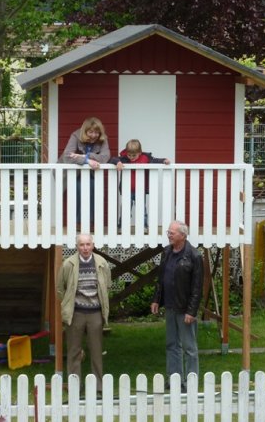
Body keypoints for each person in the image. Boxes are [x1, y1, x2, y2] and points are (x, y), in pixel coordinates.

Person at [150, 220, 203, 392]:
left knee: (189, 347)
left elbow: (197, 287)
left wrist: (191, 311)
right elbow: (161, 279)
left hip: (185, 309)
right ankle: (174, 378)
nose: (169, 235)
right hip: (170, 307)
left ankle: (191, 382)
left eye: (172, 232)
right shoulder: (167, 252)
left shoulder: (194, 256)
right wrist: (157, 299)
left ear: (183, 235)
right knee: (172, 344)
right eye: (168, 232)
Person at [56, 233, 112, 393]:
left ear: (93, 245)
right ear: (77, 246)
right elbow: (61, 289)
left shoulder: (102, 263)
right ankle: (75, 385)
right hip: (76, 313)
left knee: (96, 350)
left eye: (88, 244)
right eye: (82, 245)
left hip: (95, 313)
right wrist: (69, 303)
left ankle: (99, 386)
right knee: (74, 350)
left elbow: (106, 285)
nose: (85, 248)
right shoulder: (68, 264)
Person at [58, 117, 111, 223]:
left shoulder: (103, 138)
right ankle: (78, 222)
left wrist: (84, 156)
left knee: (94, 189)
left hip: (92, 173)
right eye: (91, 132)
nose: (94, 135)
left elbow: (105, 157)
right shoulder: (76, 135)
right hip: (73, 173)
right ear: (85, 131)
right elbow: (67, 156)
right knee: (78, 189)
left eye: (97, 132)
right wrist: (87, 161)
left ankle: (91, 222)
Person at [110, 139, 170, 230]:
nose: (131, 157)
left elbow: (155, 160)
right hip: (127, 190)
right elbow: (112, 159)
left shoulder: (145, 158)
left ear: (140, 152)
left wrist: (164, 160)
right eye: (129, 155)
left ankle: (144, 227)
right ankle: (121, 227)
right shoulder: (124, 158)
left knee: (142, 210)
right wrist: (118, 162)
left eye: (134, 155)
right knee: (125, 210)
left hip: (140, 190)